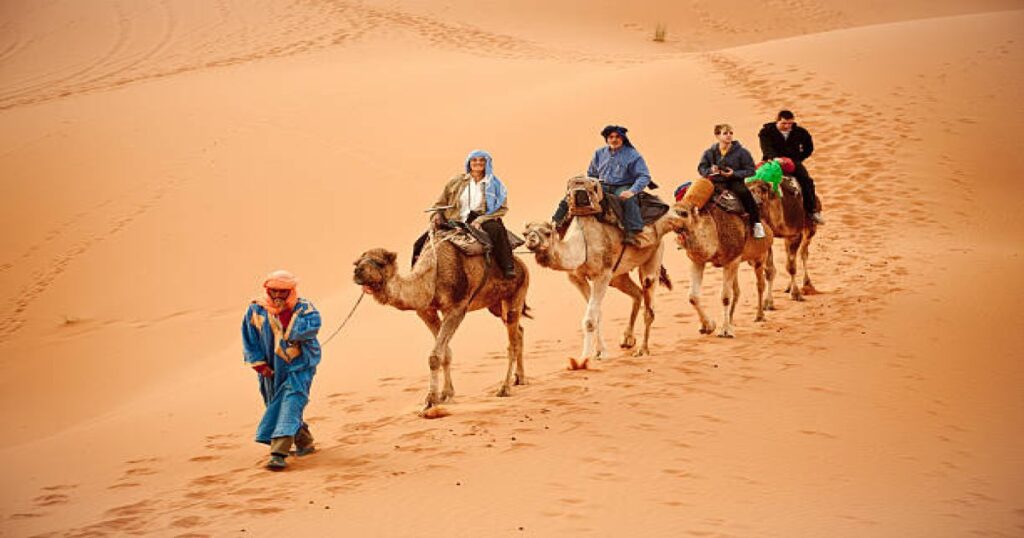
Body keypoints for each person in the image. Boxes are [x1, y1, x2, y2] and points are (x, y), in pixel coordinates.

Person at [241, 270, 322, 471]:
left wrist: (285, 315)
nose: (277, 296)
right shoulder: (255, 310)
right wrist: (258, 363)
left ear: (291, 291)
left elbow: (311, 328)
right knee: (275, 404)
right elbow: (249, 339)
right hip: (271, 369)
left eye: (283, 292)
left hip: (299, 366)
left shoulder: (304, 309)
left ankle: (278, 454)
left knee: (291, 402)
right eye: (273, 291)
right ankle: (304, 442)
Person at [412, 150, 516, 279]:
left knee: (497, 230)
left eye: (482, 160)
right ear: (469, 162)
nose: (478, 163)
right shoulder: (456, 182)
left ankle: (508, 268)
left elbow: (502, 209)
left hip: (481, 218)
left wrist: (480, 220)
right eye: (474, 160)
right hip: (454, 219)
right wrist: (437, 215)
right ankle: (415, 278)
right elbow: (440, 203)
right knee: (419, 244)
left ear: (487, 163)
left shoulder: (495, 185)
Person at [553, 125, 651, 246]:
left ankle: (633, 232)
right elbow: (592, 173)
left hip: (622, 186)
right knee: (572, 194)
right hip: (602, 185)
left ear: (623, 138)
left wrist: (632, 190)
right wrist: (588, 184)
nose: (614, 140)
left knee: (628, 199)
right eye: (611, 137)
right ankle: (556, 222)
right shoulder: (599, 153)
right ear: (607, 139)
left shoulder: (633, 155)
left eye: (617, 137)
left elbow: (644, 176)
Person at [698, 124, 766, 239]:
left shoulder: (742, 152)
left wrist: (733, 173)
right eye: (725, 133)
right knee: (697, 196)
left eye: (731, 133)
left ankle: (756, 224)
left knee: (745, 194)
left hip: (735, 181)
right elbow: (701, 168)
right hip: (716, 182)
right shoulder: (709, 153)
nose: (729, 136)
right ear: (717, 135)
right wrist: (711, 170)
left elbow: (751, 171)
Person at [758, 110, 824, 224]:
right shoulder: (766, 132)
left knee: (806, 181)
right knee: (755, 180)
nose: (787, 126)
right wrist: (774, 157)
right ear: (777, 121)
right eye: (784, 123)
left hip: (793, 162)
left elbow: (809, 148)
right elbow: (766, 147)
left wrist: (798, 158)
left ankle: (812, 211)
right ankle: (752, 212)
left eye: (790, 123)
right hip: (772, 161)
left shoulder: (800, 132)